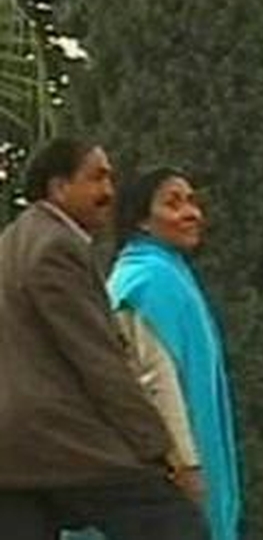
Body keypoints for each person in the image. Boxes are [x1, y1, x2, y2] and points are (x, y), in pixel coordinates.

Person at [0, 138, 210, 539]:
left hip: (10, 456)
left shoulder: (12, 242)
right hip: (59, 441)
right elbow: (99, 361)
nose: (109, 192)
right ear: (58, 187)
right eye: (97, 178)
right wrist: (161, 451)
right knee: (174, 524)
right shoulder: (56, 248)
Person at [107, 167, 242, 540]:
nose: (191, 213)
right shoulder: (145, 283)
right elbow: (155, 379)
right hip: (164, 475)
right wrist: (186, 465)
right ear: (142, 222)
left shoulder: (171, 275)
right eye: (173, 203)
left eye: (192, 201)